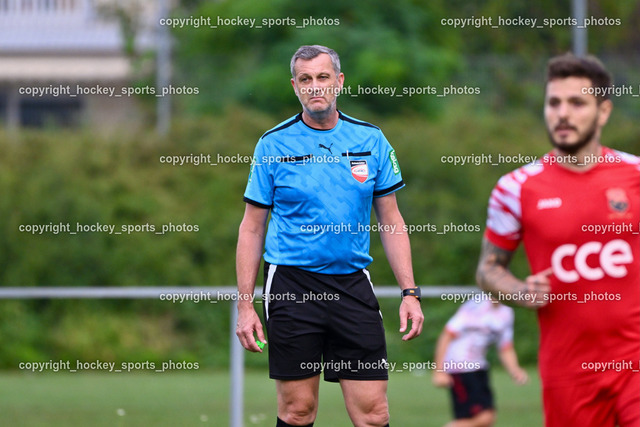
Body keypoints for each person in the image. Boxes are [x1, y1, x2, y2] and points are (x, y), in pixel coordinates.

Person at [235, 44, 424, 427]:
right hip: (292, 285)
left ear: (339, 82)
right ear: (295, 86)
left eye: (322, 77)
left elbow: (391, 220)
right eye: (305, 79)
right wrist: (245, 304)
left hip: (353, 285)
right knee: (298, 410)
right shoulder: (273, 144)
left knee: (374, 414)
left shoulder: (371, 140)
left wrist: (409, 292)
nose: (314, 86)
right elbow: (252, 227)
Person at [476, 52, 640, 427]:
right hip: (568, 372)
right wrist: (521, 291)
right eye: (554, 103)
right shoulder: (515, 188)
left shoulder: (635, 175)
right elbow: (488, 270)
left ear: (603, 111)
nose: (562, 113)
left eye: (577, 103)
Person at [432, 297, 528, 427]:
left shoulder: (507, 312)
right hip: (460, 367)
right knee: (483, 418)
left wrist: (515, 370)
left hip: (479, 367)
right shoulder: (475, 306)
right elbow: (447, 335)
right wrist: (439, 371)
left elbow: (505, 347)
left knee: (485, 419)